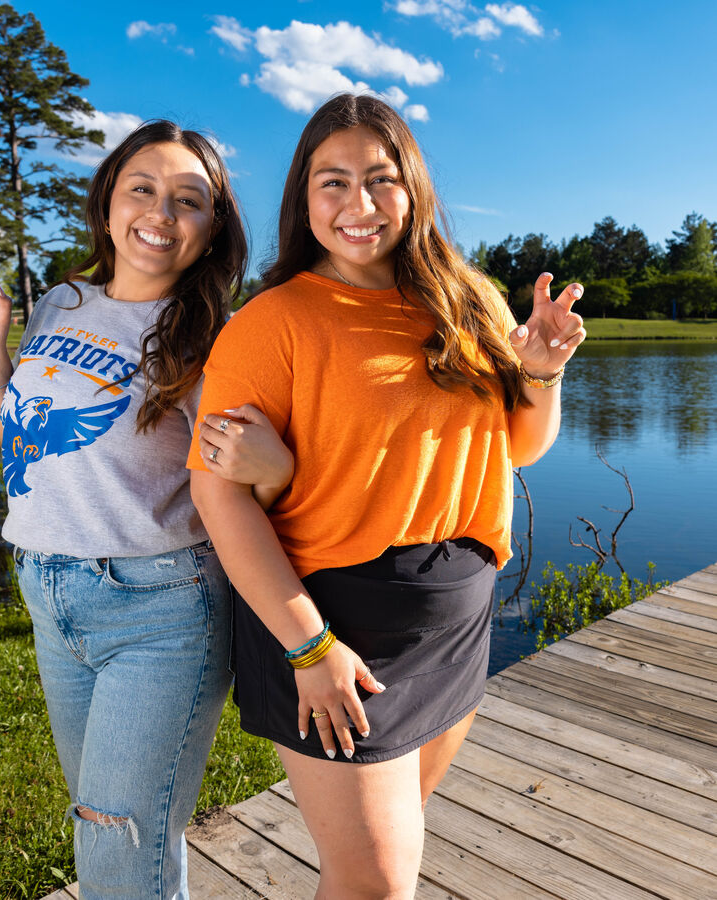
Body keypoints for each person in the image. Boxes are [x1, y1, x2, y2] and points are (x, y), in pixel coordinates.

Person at [189, 93, 585, 900]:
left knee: (374, 863)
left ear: (415, 188)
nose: (359, 206)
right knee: (377, 883)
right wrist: (310, 647)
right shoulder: (271, 323)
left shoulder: (468, 299)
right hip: (331, 631)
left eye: (381, 179)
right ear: (303, 197)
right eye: (332, 183)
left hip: (454, 624)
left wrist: (541, 372)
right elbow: (219, 497)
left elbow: (516, 448)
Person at [0, 121, 292, 900]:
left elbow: (238, 491)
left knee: (115, 842)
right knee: (114, 831)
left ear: (212, 229)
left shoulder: (211, 341)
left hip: (160, 611)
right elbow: (23, 442)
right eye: (143, 188)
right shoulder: (62, 301)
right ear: (108, 204)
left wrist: (277, 471)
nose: (160, 213)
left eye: (188, 200)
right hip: (50, 595)